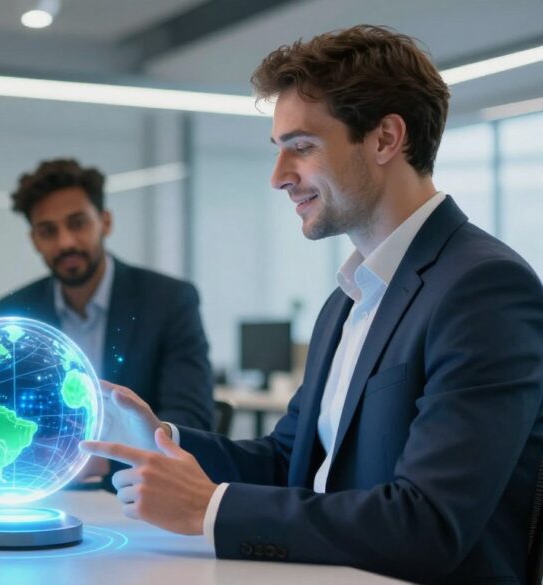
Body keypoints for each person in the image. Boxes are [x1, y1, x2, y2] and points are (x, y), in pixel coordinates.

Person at [81, 25, 543, 584]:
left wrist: (210, 509)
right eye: (279, 151)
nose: (279, 178)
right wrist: (161, 441)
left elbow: (428, 524)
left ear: (384, 139)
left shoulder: (483, 288)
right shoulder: (347, 299)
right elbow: (291, 460)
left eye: (300, 148)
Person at [0, 158, 215, 480]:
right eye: (48, 231)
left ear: (105, 222)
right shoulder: (16, 312)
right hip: (44, 486)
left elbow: (190, 420)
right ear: (35, 240)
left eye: (78, 223)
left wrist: (105, 462)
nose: (66, 242)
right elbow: (5, 415)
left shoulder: (168, 301)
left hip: (140, 485)